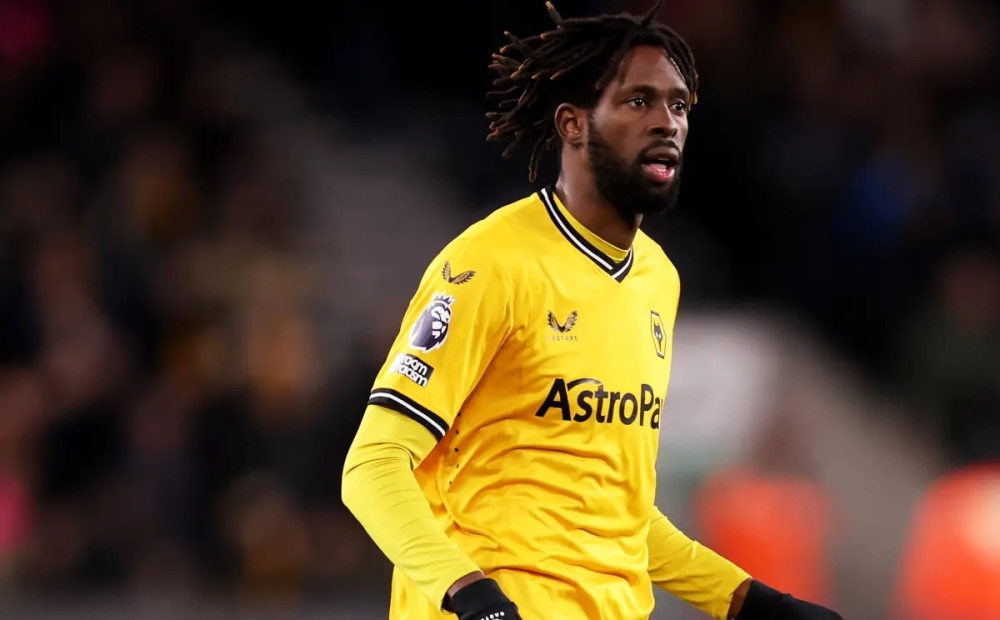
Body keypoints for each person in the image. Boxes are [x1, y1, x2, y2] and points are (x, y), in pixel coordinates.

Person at [341, 2, 844, 619]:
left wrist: (749, 601)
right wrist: (471, 597)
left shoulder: (658, 280)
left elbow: (618, 513)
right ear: (573, 124)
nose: (667, 123)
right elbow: (372, 466)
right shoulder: (491, 262)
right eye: (639, 101)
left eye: (679, 105)